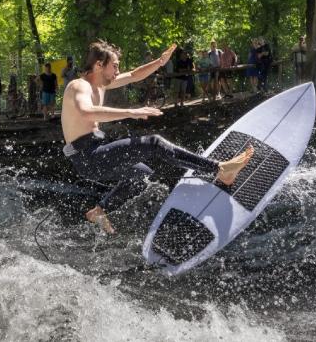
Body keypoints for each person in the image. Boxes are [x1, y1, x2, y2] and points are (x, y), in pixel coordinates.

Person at [61, 40, 255, 234]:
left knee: (141, 174)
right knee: (154, 143)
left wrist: (159, 62)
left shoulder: (102, 83)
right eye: (115, 66)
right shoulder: (79, 86)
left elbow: (134, 75)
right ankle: (220, 169)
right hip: (87, 156)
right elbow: (86, 112)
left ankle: (100, 210)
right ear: (98, 65)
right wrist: (130, 112)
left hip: (95, 152)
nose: (118, 72)